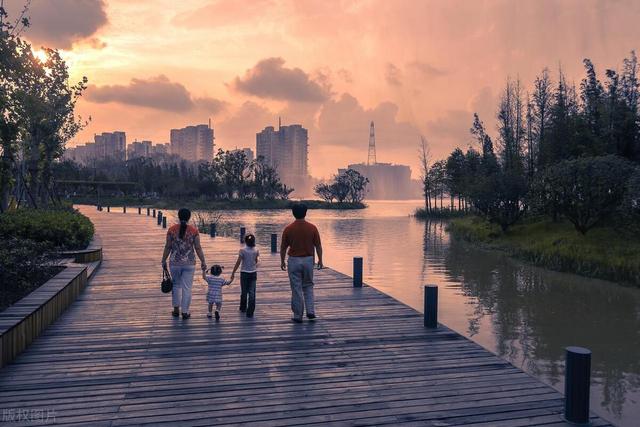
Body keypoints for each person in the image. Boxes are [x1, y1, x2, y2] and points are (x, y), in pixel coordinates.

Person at [280, 203, 323, 323]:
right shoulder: (312, 228)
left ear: (293, 213)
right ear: (306, 213)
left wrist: (282, 260)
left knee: (296, 288)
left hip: (294, 260)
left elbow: (283, 247)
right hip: (308, 260)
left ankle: (298, 315)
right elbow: (318, 246)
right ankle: (310, 312)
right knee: (308, 286)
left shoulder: (288, 228)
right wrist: (320, 259)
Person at [161, 208, 206, 319]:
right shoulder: (194, 231)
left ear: (179, 216)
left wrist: (163, 260)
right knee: (187, 288)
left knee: (176, 285)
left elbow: (168, 247)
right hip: (189, 263)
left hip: (174, 263)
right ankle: (185, 312)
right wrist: (203, 261)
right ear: (189, 217)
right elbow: (198, 248)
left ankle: (176, 309)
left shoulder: (171, 230)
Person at [230, 234, 259, 318]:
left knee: (244, 291)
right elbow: (256, 261)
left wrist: (233, 272)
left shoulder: (242, 250)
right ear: (254, 241)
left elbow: (238, 262)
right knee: (252, 292)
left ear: (245, 241)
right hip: (253, 273)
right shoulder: (256, 250)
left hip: (244, 273)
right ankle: (250, 312)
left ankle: (243, 307)